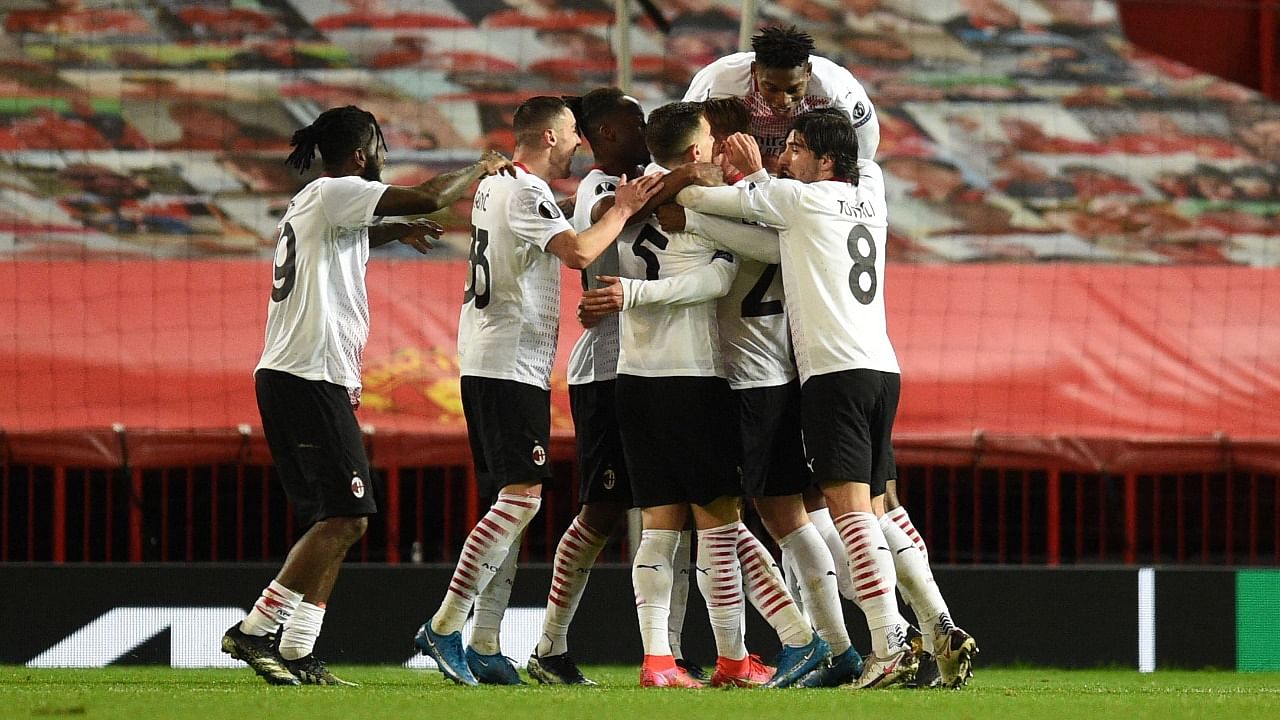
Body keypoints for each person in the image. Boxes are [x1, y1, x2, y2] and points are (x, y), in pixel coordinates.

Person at [676, 110, 980, 689]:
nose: (786, 157)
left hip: (833, 374)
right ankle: (939, 624)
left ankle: (889, 643)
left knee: (850, 514)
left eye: (795, 148)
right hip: (882, 369)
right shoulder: (873, 192)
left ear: (825, 161)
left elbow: (713, 203)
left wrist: (715, 179)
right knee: (880, 507)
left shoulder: (798, 200)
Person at [223, 105, 515, 687]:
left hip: (310, 375)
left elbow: (347, 237)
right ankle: (256, 631)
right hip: (304, 376)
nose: (385, 157)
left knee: (340, 518)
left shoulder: (323, 202)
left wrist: (388, 232)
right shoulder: (339, 190)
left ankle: (300, 650)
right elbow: (432, 196)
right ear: (363, 153)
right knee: (350, 514)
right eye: (381, 146)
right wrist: (480, 166)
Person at [583, 97, 863, 688]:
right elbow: (735, 264)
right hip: (726, 376)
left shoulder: (636, 201)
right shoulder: (767, 198)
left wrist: (682, 191)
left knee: (734, 522)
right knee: (743, 522)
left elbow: (613, 216)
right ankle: (799, 646)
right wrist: (689, 186)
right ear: (704, 148)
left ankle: (782, 648)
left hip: (706, 378)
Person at [412, 96, 662, 686]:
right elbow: (577, 252)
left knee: (515, 506)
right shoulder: (523, 190)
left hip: (496, 358)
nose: (579, 143)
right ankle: (445, 625)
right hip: (507, 362)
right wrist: (622, 210)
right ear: (549, 137)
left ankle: (486, 642)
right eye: (572, 133)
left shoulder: (497, 186)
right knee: (521, 502)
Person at [525, 88, 703, 686]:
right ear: (604, 135)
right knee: (601, 512)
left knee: (672, 513)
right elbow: (640, 205)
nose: (646, 127)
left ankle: (669, 653)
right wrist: (694, 171)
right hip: (605, 369)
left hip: (655, 366)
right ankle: (549, 645)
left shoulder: (645, 178)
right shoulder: (601, 187)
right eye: (634, 122)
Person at [682, 25, 880, 172]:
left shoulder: (836, 89)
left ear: (808, 72)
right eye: (771, 88)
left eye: (794, 89)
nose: (783, 100)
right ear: (754, 71)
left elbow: (865, 142)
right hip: (737, 165)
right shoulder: (719, 81)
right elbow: (684, 132)